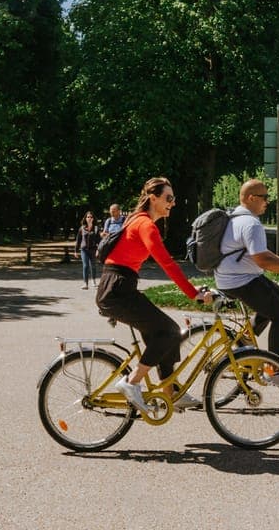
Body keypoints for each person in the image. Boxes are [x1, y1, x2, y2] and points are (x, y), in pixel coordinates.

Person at [96, 177, 213, 413]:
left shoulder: (137, 219)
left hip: (118, 287)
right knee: (169, 331)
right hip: (118, 290)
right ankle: (132, 382)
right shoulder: (145, 225)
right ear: (153, 198)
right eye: (168, 198)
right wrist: (194, 294)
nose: (173, 203)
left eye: (174, 198)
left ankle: (171, 392)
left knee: (161, 335)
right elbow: (167, 263)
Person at [214, 178, 279, 389]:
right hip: (240, 280)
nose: (268, 201)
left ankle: (245, 342)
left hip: (232, 277)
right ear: (251, 198)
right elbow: (263, 260)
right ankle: (272, 370)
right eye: (264, 197)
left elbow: (262, 253)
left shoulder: (235, 217)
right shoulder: (251, 223)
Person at [74, 211, 101, 289]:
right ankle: (85, 283)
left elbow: (99, 241)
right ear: (85, 218)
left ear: (93, 219)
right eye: (88, 217)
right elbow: (78, 240)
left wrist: (98, 250)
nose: (89, 218)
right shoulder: (82, 228)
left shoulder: (96, 228)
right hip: (84, 250)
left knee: (93, 266)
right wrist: (76, 251)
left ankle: (93, 281)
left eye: (91, 217)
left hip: (93, 250)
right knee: (85, 266)